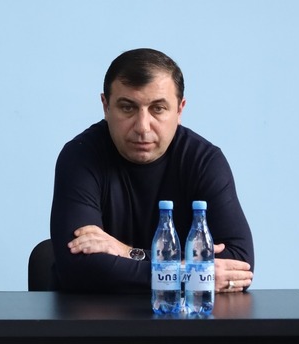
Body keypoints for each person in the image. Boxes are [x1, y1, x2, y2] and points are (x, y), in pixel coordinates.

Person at [50, 48, 254, 294]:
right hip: (95, 315)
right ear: (105, 106)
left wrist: (127, 252)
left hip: (185, 317)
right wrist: (187, 274)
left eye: (158, 109)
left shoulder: (204, 161)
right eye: (128, 108)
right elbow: (77, 268)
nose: (142, 127)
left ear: (179, 110)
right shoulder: (80, 156)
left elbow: (240, 264)